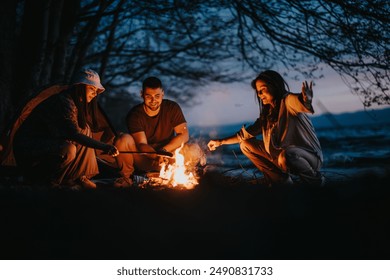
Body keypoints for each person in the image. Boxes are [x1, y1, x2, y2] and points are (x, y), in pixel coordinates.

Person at [13, 69, 135, 189]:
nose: (95, 93)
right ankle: (46, 181)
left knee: (85, 128)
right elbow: (74, 135)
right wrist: (104, 146)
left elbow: (77, 133)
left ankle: (79, 177)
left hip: (46, 145)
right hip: (29, 149)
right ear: (80, 87)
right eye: (92, 88)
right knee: (68, 149)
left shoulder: (74, 104)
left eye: (96, 90)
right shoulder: (63, 102)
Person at [208, 70, 324, 187]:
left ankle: (315, 182)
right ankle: (280, 180)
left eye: (262, 89)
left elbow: (299, 102)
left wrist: (306, 100)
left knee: (286, 155)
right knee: (245, 144)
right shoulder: (267, 114)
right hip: (283, 158)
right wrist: (219, 142)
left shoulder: (288, 101)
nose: (259, 94)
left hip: (309, 158)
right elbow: (243, 135)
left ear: (274, 86)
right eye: (258, 91)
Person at [125, 76, 205, 175]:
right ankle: (128, 177)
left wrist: (163, 151)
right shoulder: (135, 115)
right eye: (148, 96)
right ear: (142, 94)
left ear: (163, 93)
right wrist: (157, 156)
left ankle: (185, 176)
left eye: (157, 96)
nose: (153, 100)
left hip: (169, 155)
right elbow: (142, 144)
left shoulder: (172, 108)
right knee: (123, 139)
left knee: (194, 149)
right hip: (147, 158)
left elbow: (184, 135)